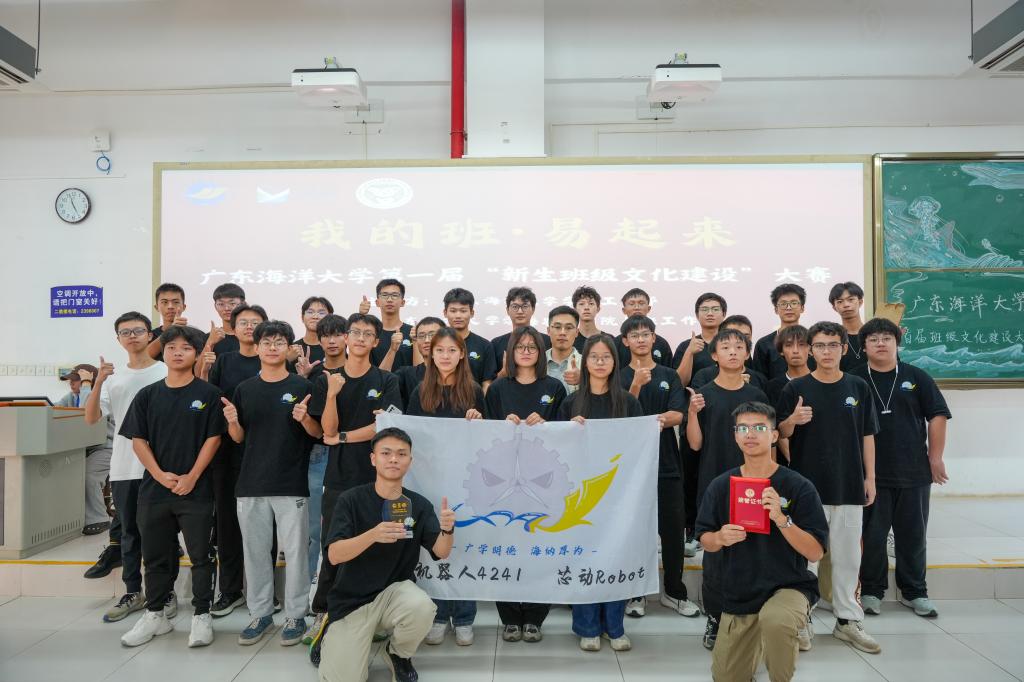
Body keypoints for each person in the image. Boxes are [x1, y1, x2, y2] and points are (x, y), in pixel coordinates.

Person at [696, 402, 829, 682]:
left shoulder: (798, 486)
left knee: (776, 620)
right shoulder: (721, 486)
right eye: (743, 428)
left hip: (788, 586)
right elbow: (705, 539)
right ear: (735, 435)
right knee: (726, 677)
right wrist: (719, 537)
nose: (750, 434)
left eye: (759, 427)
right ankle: (755, 643)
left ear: (774, 435)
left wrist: (782, 519)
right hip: (740, 592)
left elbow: (815, 552)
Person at [317, 427, 454, 682]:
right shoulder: (350, 499)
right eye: (386, 453)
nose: (393, 459)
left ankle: (397, 654)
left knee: (422, 607)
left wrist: (448, 530)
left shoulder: (418, 504)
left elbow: (441, 551)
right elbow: (334, 555)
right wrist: (373, 535)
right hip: (351, 600)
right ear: (373, 459)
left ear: (410, 461)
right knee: (346, 678)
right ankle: (330, 632)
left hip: (394, 594)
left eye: (401, 454)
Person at [776, 321, 881, 654]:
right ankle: (802, 620)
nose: (826, 351)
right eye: (819, 345)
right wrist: (792, 421)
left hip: (849, 486)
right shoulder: (796, 389)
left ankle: (847, 621)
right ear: (810, 350)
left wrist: (870, 478)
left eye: (833, 345)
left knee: (848, 557)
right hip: (807, 490)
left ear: (844, 349)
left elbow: (867, 435)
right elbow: (780, 434)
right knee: (805, 559)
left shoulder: (858, 387)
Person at [118, 325, 225, 648]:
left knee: (201, 556)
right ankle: (155, 615)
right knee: (155, 556)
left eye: (186, 348)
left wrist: (191, 476)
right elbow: (138, 440)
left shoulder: (208, 394)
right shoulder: (148, 395)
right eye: (171, 347)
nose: (178, 353)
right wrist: (159, 474)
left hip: (197, 490)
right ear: (163, 352)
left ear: (197, 354)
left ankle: (201, 615)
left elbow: (213, 438)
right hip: (155, 489)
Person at [306, 313, 402, 656]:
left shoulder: (387, 379)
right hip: (339, 479)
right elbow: (327, 431)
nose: (360, 338)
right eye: (355, 332)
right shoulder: (327, 381)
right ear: (346, 337)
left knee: (381, 548)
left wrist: (345, 437)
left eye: (367, 334)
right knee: (334, 549)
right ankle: (324, 614)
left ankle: (375, 617)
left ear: (376, 342)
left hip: (380, 480)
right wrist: (332, 395)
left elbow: (384, 428)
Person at [223, 320, 321, 647]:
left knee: (296, 553)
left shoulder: (302, 386)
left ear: (289, 348)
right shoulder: (245, 389)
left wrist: (304, 418)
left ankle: (296, 614)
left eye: (279, 342)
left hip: (291, 483)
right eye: (267, 342)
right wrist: (233, 422)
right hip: (251, 483)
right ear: (257, 348)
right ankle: (261, 613)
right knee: (255, 553)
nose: (273, 347)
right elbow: (238, 438)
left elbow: (317, 434)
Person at [851, 317, 951, 619]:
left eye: (887, 338)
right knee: (872, 536)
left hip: (913, 471)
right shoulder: (855, 379)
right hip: (869, 474)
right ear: (864, 346)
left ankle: (915, 592)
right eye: (873, 339)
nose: (880, 343)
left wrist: (935, 457)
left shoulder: (917, 376)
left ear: (897, 342)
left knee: (913, 536)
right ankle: (871, 591)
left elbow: (937, 415)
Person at [557, 332, 643, 653]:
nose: (600, 362)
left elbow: (639, 445)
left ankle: (615, 626)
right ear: (584, 363)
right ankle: (587, 626)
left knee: (615, 556)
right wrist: (570, 431)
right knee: (584, 557)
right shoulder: (571, 402)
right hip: (581, 495)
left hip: (620, 494)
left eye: (606, 357)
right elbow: (556, 449)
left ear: (615, 362)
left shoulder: (628, 402)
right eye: (594, 357)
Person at [685, 327, 769, 650]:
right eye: (725, 347)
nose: (733, 352)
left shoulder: (757, 395)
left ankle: (750, 618)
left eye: (739, 347)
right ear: (714, 355)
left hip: (751, 484)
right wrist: (693, 412)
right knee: (716, 556)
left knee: (753, 552)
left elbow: (767, 443)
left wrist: (768, 483)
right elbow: (695, 444)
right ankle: (715, 618)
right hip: (714, 485)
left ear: (747, 354)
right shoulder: (704, 394)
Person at [84, 312, 169, 623]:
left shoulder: (165, 370)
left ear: (150, 335)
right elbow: (91, 417)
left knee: (161, 533)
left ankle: (165, 592)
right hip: (123, 466)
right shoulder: (114, 377)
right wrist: (98, 382)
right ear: (118, 339)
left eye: (138, 330)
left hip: (160, 465)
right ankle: (133, 591)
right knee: (129, 534)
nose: (132, 336)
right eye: (125, 332)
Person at [483, 326, 567, 643]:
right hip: (503, 480)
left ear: (541, 353)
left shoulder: (554, 387)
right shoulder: (497, 389)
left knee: (539, 549)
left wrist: (546, 426)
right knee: (504, 548)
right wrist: (500, 426)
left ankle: (534, 617)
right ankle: (509, 618)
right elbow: (485, 434)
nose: (527, 351)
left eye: (533, 346)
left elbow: (565, 434)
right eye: (521, 346)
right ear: (511, 352)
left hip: (542, 481)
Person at [406, 327, 485, 646]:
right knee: (434, 546)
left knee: (465, 547)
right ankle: (438, 615)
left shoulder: (474, 391)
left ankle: (465, 617)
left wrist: (479, 421)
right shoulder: (421, 391)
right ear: (430, 353)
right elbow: (411, 435)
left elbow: (489, 439)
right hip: (430, 481)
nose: (445, 356)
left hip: (467, 481)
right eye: (440, 350)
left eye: (452, 350)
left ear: (462, 354)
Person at [618, 317, 699, 619]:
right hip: (630, 469)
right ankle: (636, 593)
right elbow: (620, 416)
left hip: (667, 464)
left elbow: (678, 414)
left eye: (646, 334)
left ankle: (674, 593)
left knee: (673, 532)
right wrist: (636, 387)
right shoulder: (618, 376)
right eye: (634, 335)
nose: (640, 339)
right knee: (636, 532)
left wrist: (648, 422)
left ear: (654, 338)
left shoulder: (669, 375)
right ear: (625, 341)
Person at [201, 304, 268, 618]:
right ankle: (230, 591)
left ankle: (265, 592)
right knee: (227, 524)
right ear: (234, 327)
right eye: (244, 322)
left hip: (264, 453)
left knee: (264, 526)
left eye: (256, 322)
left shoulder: (273, 359)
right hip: (227, 453)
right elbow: (209, 397)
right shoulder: (224, 360)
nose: (249, 327)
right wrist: (204, 368)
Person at [305, 313, 349, 581]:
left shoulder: (361, 370)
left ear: (347, 337)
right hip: (320, 454)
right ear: (319, 340)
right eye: (325, 336)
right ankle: (312, 584)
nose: (331, 341)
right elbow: (317, 428)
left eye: (337, 335)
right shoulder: (314, 376)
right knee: (314, 527)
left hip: (354, 453)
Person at [62, 364, 112, 535]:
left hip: (106, 448)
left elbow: (86, 411)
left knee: (88, 475)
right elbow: (53, 408)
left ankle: (99, 519)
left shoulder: (99, 397)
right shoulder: (72, 397)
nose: (71, 384)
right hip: (83, 448)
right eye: (70, 380)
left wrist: (86, 385)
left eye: (76, 381)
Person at [690, 315, 769, 393]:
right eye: (731, 335)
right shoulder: (703, 376)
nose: (733, 351)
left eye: (745, 336)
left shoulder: (760, 379)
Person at [752, 284, 813, 382]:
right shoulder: (763, 344)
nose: (789, 308)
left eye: (794, 303)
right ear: (776, 309)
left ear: (802, 308)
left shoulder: (812, 340)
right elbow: (759, 380)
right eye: (783, 304)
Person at [442, 287, 497, 391]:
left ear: (472, 313)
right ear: (445, 313)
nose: (458, 316)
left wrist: (482, 401)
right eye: (453, 311)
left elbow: (487, 383)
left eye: (463, 311)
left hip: (474, 400)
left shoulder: (484, 345)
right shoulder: (437, 344)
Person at [490, 287, 551, 373]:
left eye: (525, 306)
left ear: (533, 309)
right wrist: (503, 374)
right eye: (515, 307)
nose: (520, 311)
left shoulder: (547, 341)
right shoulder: (496, 344)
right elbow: (491, 379)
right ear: (507, 310)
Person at [672, 292, 726, 387]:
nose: (710, 313)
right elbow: (679, 383)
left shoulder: (734, 346)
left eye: (715, 309)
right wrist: (689, 352)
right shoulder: (685, 346)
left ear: (724, 314)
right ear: (697, 315)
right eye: (704, 309)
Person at [363, 279, 414, 371]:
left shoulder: (412, 333)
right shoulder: (370, 333)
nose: (389, 299)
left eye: (395, 295)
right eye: (384, 295)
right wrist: (361, 316)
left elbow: (419, 369)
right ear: (377, 302)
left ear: (402, 302)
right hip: (376, 380)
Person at [614, 288, 672, 367]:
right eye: (631, 304)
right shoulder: (616, 343)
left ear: (648, 309)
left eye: (641, 303)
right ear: (624, 310)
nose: (636, 307)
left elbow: (669, 371)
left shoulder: (662, 343)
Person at [394, 317, 444, 408]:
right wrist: (392, 350)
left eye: (432, 335)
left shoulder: (459, 375)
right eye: (421, 336)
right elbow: (380, 385)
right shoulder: (406, 374)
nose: (427, 340)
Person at [830, 282, 868, 372]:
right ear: (834, 307)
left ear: (860, 302)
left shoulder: (873, 334)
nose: (846, 305)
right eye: (840, 301)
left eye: (851, 299)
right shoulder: (833, 338)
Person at [288, 296, 333, 368]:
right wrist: (287, 360)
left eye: (321, 313)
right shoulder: (292, 350)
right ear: (302, 317)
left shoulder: (334, 347)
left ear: (330, 318)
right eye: (310, 312)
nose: (315, 317)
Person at [146, 282, 188, 360]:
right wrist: (170, 331)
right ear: (156, 307)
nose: (170, 306)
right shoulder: (149, 336)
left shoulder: (196, 335)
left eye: (176, 302)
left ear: (184, 307)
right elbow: (142, 359)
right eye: (164, 302)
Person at [546, 305, 582, 394]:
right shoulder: (536, 361)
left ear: (577, 332)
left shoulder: (587, 364)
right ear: (548, 330)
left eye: (568, 328)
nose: (562, 332)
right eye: (557, 327)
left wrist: (584, 380)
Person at [572, 285, 602, 353]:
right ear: (575, 309)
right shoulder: (569, 339)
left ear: (598, 309)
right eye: (581, 304)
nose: (586, 308)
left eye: (591, 304)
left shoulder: (609, 339)